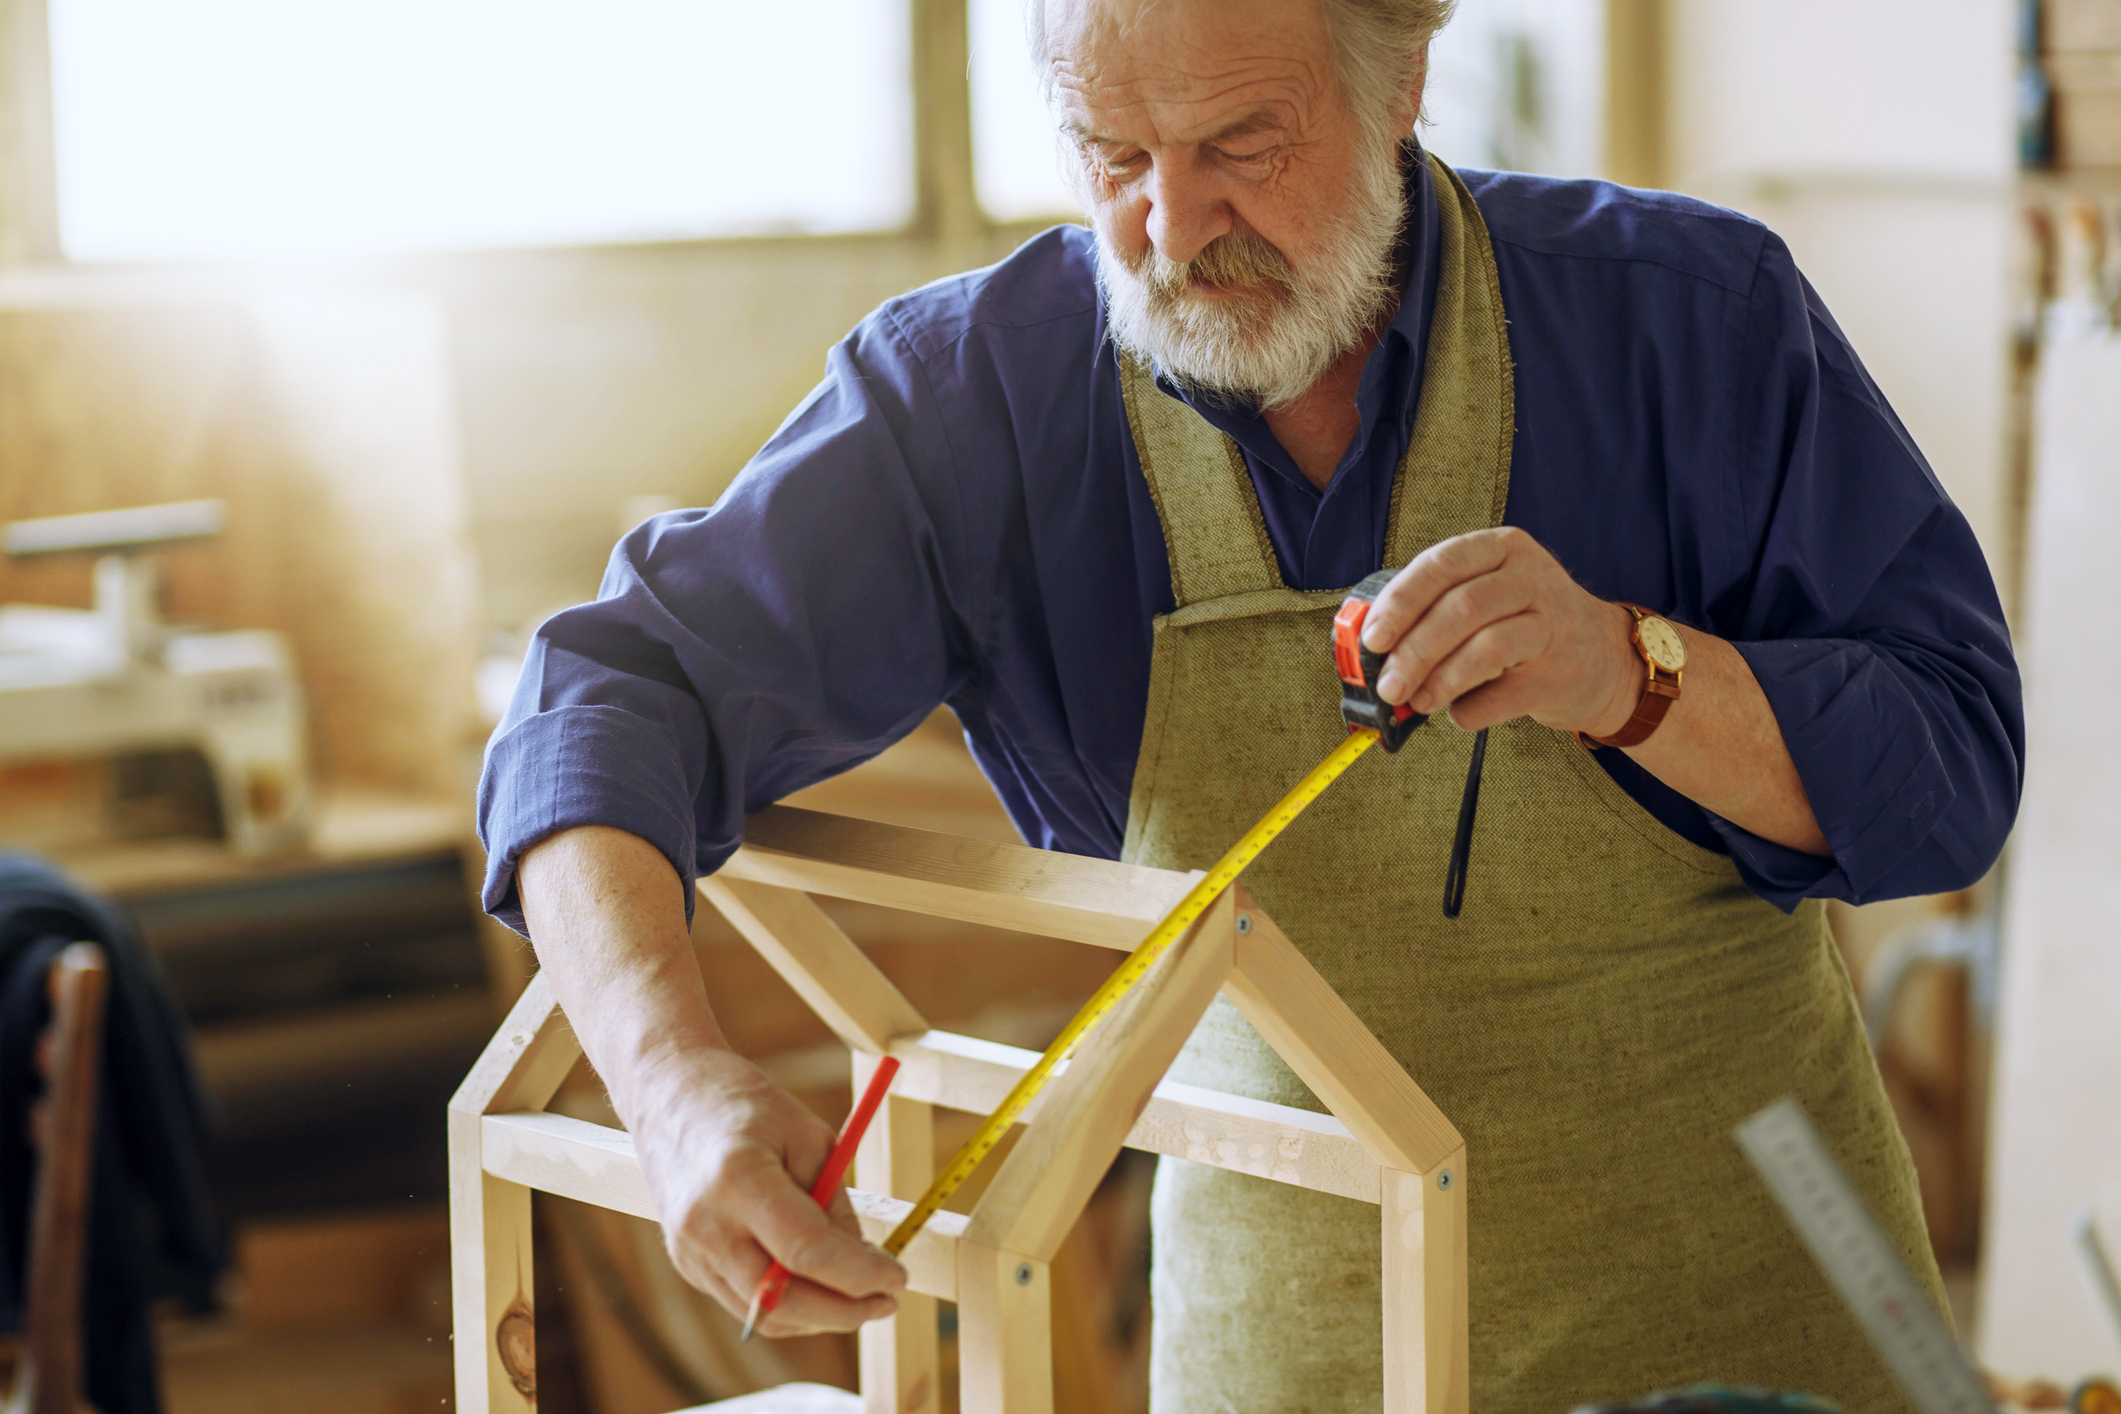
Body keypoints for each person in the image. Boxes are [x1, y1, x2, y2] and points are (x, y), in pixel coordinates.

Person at [477, 0, 2024, 1408]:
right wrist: (672, 1092)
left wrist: (1631, 673)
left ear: (1404, 77)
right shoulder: (980, 398)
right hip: (1300, 1344)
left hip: (1755, 1327)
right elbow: (606, 696)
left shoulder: (1689, 319)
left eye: (1239, 146)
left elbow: (1952, 766)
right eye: (1112, 156)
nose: (1169, 222)